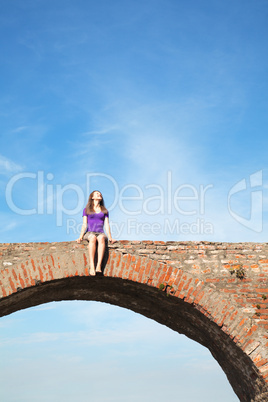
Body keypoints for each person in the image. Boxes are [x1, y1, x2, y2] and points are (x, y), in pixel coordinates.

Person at [76, 190, 115, 275]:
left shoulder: (104, 210)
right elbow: (84, 224)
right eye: (97, 193)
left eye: (100, 194)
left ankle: (98, 266)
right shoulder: (86, 210)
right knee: (93, 238)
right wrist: (80, 236)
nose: (99, 194)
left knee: (101, 238)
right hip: (89, 233)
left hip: (100, 233)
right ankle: (92, 266)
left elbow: (107, 225)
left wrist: (110, 237)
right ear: (92, 197)